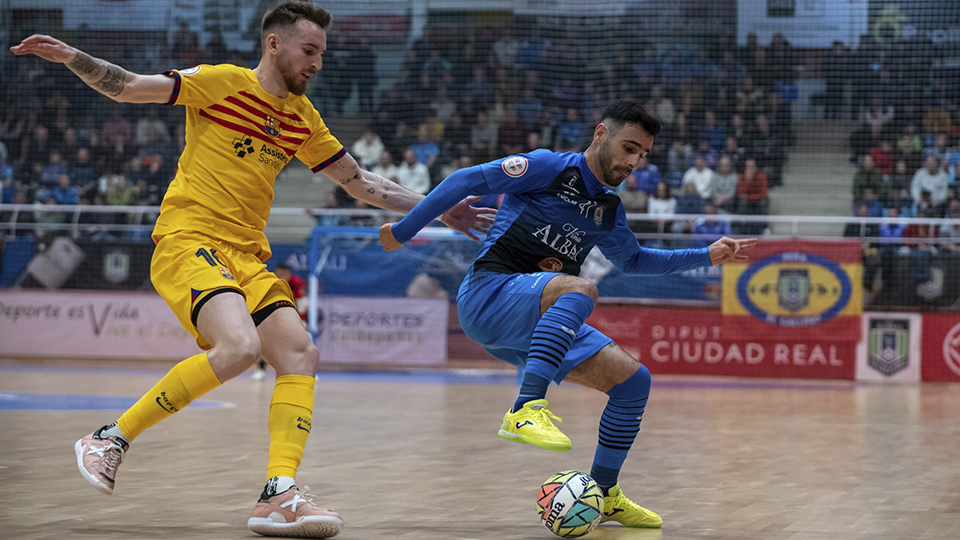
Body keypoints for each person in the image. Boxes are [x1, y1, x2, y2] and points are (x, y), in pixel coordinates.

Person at [12, 3, 493, 538]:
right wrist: (72, 56)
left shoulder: (303, 118)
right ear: (274, 44)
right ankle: (109, 437)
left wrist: (433, 206)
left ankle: (277, 493)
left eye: (321, 55)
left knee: (299, 353)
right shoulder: (220, 83)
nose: (316, 63)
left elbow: (361, 183)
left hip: (246, 254)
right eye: (309, 51)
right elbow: (127, 86)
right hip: (189, 239)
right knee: (239, 349)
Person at [379, 100, 756, 530]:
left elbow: (634, 261)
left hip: (540, 314)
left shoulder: (608, 209)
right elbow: (464, 179)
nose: (634, 161)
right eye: (629, 147)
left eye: (643, 154)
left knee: (634, 382)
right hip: (488, 294)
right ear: (601, 134)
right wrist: (404, 231)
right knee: (581, 288)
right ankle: (525, 407)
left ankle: (605, 492)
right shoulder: (547, 167)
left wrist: (705, 254)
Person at [253, 263, 308, 381]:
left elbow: (300, 302)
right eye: (278, 273)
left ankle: (302, 371)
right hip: (272, 312)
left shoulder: (296, 282)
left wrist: (302, 320)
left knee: (300, 342)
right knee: (264, 341)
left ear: (288, 274)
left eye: (282, 274)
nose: (280, 276)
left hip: (292, 313)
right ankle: (261, 370)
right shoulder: (270, 280)